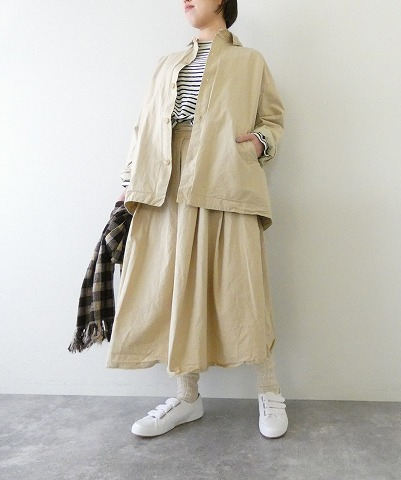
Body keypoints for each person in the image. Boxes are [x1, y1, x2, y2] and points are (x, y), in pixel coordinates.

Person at [105, 0, 287, 439]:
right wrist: (129, 181)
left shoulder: (250, 61)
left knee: (242, 285)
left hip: (224, 174)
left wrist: (257, 144)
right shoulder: (167, 63)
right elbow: (143, 127)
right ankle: (187, 397)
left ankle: (270, 390)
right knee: (173, 284)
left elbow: (273, 120)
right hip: (164, 179)